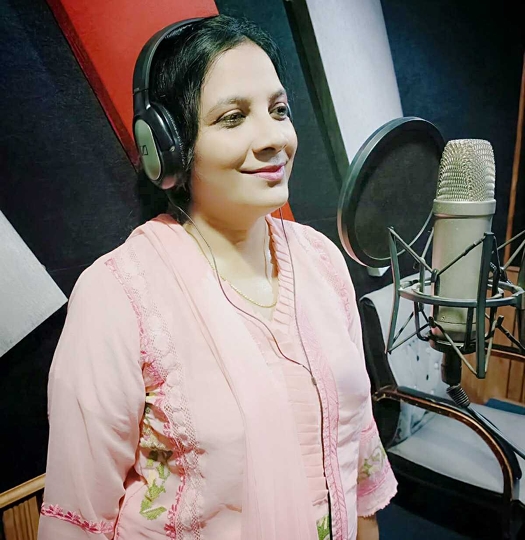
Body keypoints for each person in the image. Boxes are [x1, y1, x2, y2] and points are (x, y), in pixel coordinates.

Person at [38, 15, 396, 540]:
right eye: (233, 118)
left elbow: (358, 451)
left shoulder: (322, 261)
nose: (273, 138)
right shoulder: (117, 296)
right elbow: (80, 518)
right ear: (167, 146)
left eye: (279, 110)